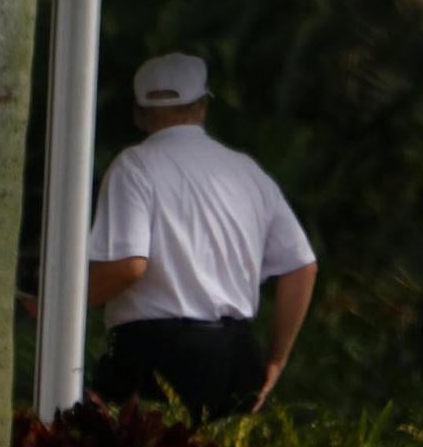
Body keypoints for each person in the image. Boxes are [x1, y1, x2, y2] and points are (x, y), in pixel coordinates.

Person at [86, 52, 317, 419]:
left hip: (157, 355)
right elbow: (302, 266)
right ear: (203, 108)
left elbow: (128, 267)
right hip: (237, 355)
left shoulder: (135, 165)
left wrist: (58, 306)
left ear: (139, 114)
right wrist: (275, 358)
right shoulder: (247, 172)